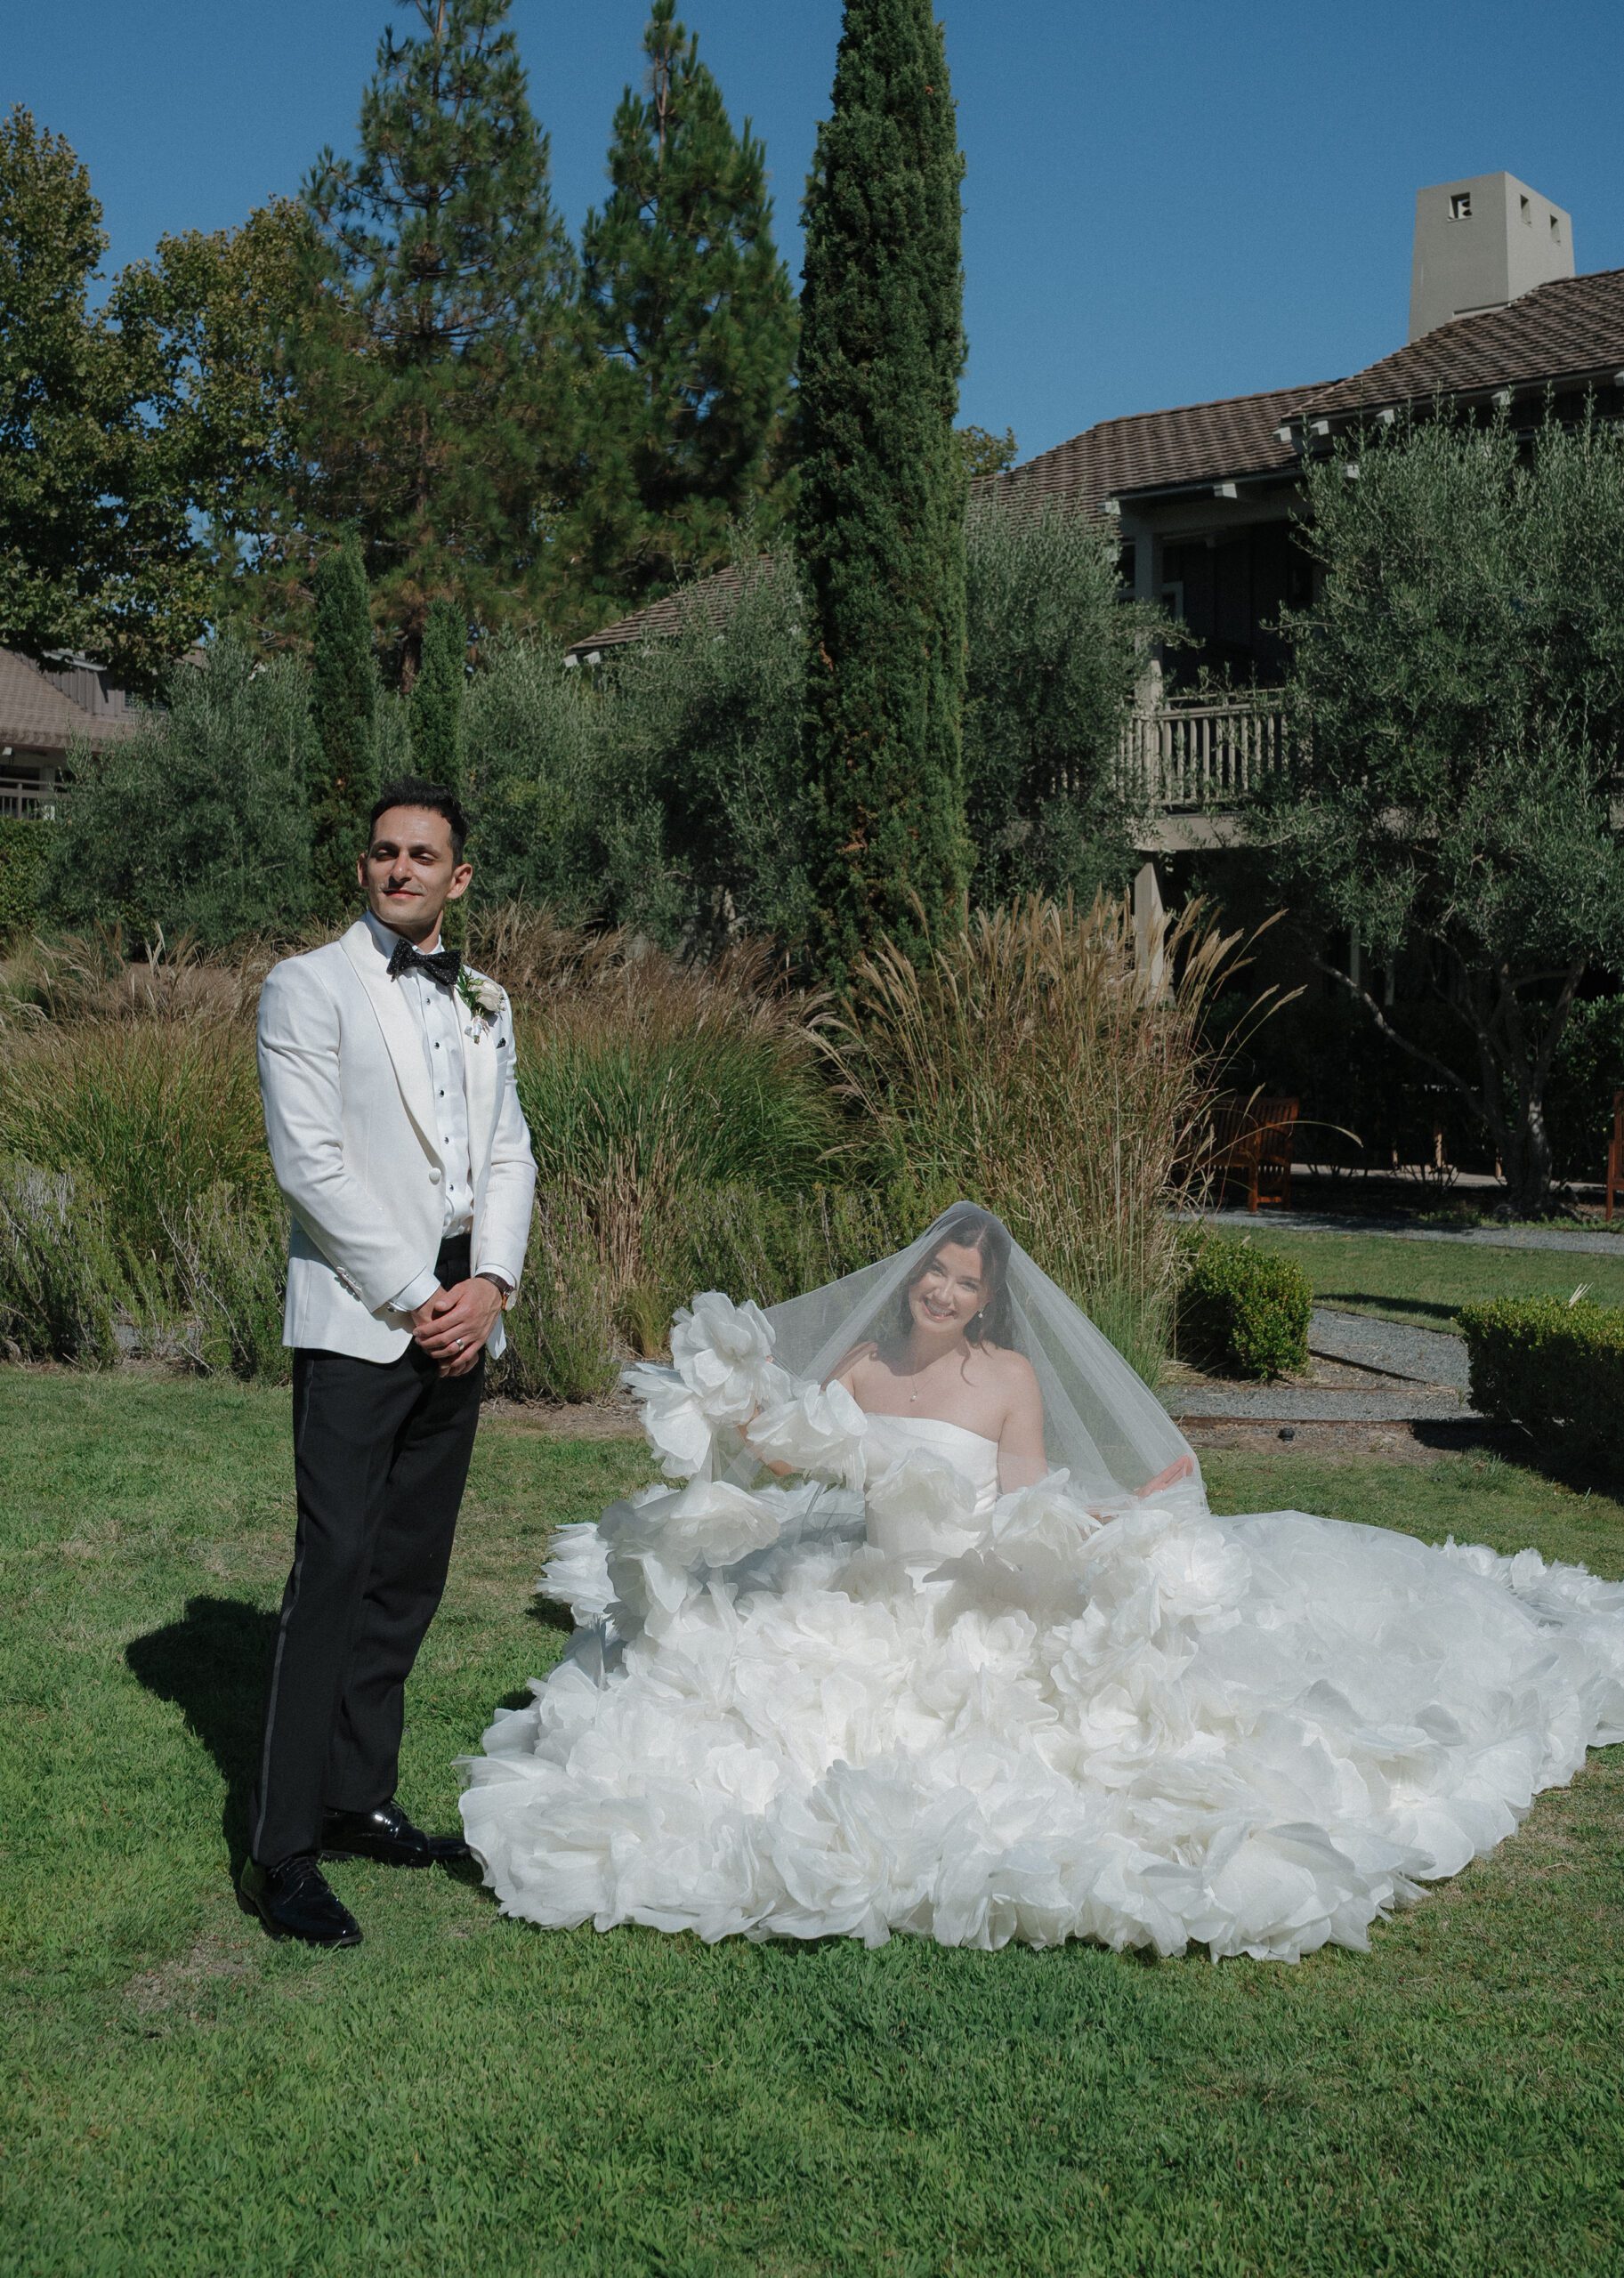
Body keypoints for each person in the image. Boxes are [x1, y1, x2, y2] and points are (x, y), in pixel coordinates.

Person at [459, 1204, 1624, 1962]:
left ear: (985, 1300)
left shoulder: (1006, 1377)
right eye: (933, 1274)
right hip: (863, 1587)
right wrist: (730, 1406)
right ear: (911, 1279)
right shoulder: (862, 1367)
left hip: (971, 1589)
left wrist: (1105, 1519)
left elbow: (1026, 1495)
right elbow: (789, 1452)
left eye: (963, 1284)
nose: (941, 1292)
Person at [241, 779, 536, 1948]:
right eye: (383, 854)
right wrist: (419, 1297)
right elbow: (309, 1164)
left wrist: (490, 1286)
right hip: (365, 1319)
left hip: (463, 1314)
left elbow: (507, 1150)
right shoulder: (305, 987)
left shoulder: (484, 994)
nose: (399, 869)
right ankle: (282, 1852)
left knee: (408, 1572)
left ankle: (359, 1795)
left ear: (458, 877)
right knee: (336, 1569)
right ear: (364, 870)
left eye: (422, 856)